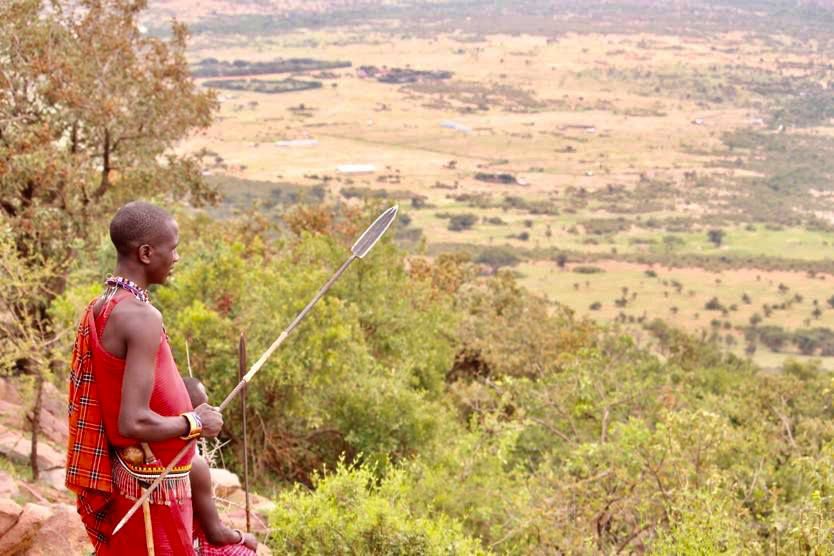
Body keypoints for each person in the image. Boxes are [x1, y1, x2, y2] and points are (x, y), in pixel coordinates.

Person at [66, 201, 224, 555]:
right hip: (152, 492)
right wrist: (195, 422)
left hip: (146, 480)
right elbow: (133, 419)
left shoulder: (104, 305)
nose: (178, 257)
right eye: (174, 248)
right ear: (147, 253)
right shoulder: (140, 316)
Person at [182, 378, 258, 555]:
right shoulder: (194, 463)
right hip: (189, 544)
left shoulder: (156, 450)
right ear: (193, 414)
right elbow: (215, 533)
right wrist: (244, 537)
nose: (213, 413)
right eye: (205, 408)